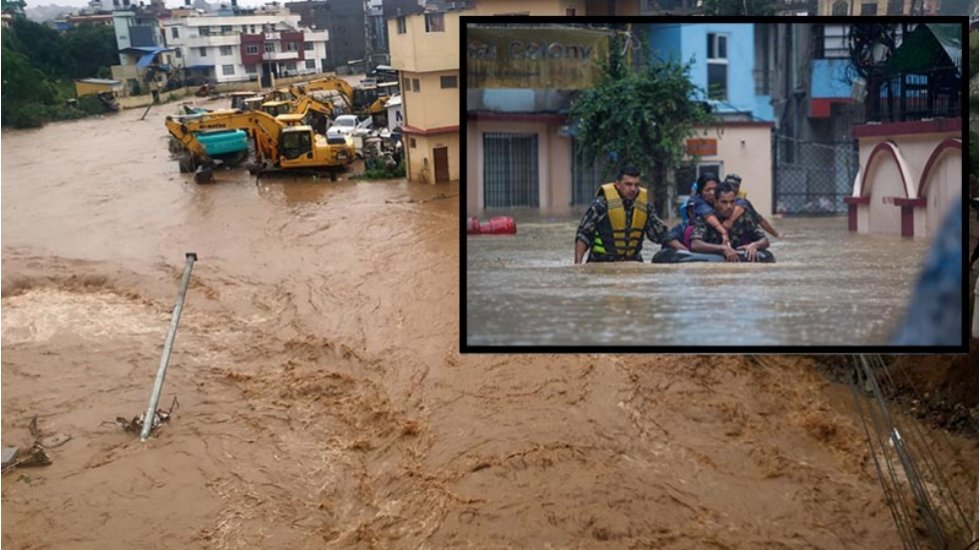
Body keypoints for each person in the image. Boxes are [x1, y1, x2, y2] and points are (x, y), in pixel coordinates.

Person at [574, 164, 686, 264]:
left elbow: (662, 234)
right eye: (628, 184)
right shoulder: (601, 204)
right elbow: (584, 235)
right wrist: (578, 265)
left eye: (636, 185)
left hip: (633, 264)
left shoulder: (645, 207)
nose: (633, 189)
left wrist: (685, 252)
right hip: (602, 263)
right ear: (618, 184)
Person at [690, 182, 770, 262]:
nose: (729, 206)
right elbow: (695, 244)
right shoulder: (706, 218)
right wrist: (723, 248)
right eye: (724, 202)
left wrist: (755, 245)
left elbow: (764, 240)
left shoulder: (743, 217)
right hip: (713, 258)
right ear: (715, 202)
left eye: (732, 202)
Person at [669, 173, 730, 249]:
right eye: (707, 190)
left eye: (714, 189)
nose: (712, 193)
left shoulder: (723, 200)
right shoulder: (697, 201)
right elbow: (708, 215)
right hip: (683, 231)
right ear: (701, 191)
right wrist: (723, 232)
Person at [722, 174, 780, 238]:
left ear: (738, 188)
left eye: (735, 186)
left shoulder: (743, 202)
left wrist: (776, 235)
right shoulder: (716, 199)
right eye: (729, 185)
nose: (732, 188)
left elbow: (760, 220)